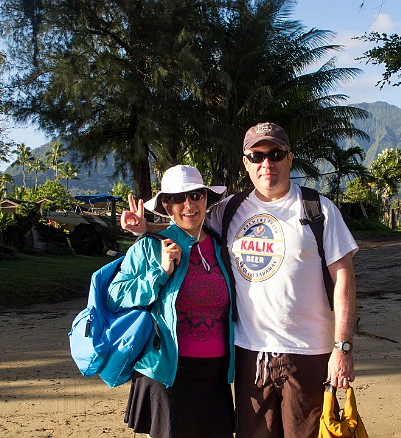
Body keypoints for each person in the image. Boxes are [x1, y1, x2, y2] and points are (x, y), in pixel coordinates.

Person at [122, 122, 359, 438]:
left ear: (290, 158)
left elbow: (343, 277)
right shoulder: (232, 209)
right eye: (257, 156)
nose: (267, 164)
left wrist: (342, 347)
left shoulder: (318, 210)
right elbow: (188, 223)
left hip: (308, 352)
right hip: (249, 353)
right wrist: (146, 230)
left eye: (275, 154)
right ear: (245, 163)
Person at [108, 165, 235, 438]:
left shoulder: (221, 246)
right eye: (178, 198)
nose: (188, 205)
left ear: (206, 199)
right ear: (166, 204)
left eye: (195, 195)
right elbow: (116, 296)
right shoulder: (150, 246)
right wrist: (160, 273)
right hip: (167, 374)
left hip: (215, 376)